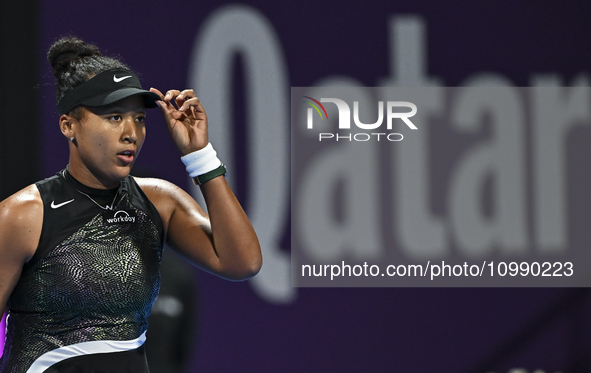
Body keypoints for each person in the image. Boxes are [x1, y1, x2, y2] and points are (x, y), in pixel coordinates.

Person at [0, 36, 262, 372]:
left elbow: (243, 262)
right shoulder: (22, 215)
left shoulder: (159, 201)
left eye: (138, 118)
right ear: (69, 125)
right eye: (113, 117)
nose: (131, 133)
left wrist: (201, 156)